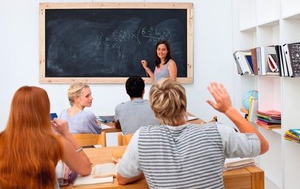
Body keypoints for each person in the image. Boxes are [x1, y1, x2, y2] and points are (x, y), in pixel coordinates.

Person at [116, 78, 269, 188]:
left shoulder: (141, 138)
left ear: (154, 109)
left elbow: (122, 179)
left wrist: (146, 168)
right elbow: (262, 146)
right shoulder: (217, 132)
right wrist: (229, 110)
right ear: (184, 104)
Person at [0, 86, 91, 189]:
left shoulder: (1, 139)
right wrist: (67, 134)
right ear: (44, 110)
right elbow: (86, 168)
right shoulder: (56, 142)